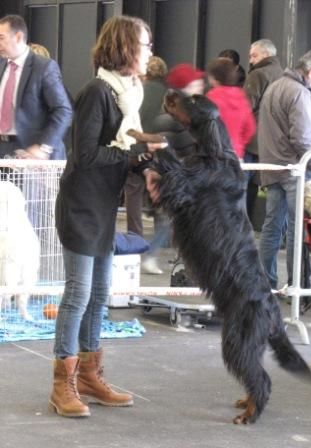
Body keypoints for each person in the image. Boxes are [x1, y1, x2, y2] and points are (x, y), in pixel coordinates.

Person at [49, 15, 166, 418]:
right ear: (125, 47)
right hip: (82, 206)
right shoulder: (97, 92)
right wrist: (131, 154)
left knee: (100, 296)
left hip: (101, 205)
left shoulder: (127, 94)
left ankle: (88, 376)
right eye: (145, 44)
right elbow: (86, 157)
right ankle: (62, 384)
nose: (150, 51)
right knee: (79, 294)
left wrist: (143, 162)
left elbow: (116, 157)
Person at [258, 49, 311, 290]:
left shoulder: (275, 86)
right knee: (296, 230)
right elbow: (302, 138)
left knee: (271, 228)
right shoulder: (299, 93)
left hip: (273, 168)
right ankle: (297, 287)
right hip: (295, 169)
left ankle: (265, 284)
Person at [142, 63, 205, 274]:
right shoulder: (176, 119)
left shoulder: (176, 115)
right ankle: (153, 256)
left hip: (175, 178)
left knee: (171, 222)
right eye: (195, 83)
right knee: (171, 222)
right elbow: (181, 150)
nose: (200, 86)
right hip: (176, 179)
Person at [0, 15, 72, 160]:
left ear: (18, 37)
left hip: (32, 153)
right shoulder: (2, 65)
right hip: (3, 148)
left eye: (1, 38)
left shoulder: (44, 67)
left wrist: (44, 147)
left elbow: (63, 110)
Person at [124, 56, 168, 238]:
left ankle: (135, 235)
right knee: (159, 193)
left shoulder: (136, 92)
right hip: (161, 148)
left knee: (133, 192)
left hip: (138, 147)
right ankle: (161, 237)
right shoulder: (169, 93)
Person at [243, 39, 283, 219]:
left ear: (266, 55)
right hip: (273, 141)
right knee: (270, 189)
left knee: (243, 184)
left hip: (252, 140)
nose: (251, 60)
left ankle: (241, 226)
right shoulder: (282, 74)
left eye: (254, 55)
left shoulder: (257, 75)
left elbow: (246, 106)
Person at [206, 57, 256, 161]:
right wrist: (238, 143)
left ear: (214, 78)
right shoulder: (241, 97)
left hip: (214, 156)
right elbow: (250, 128)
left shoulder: (210, 98)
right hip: (236, 155)